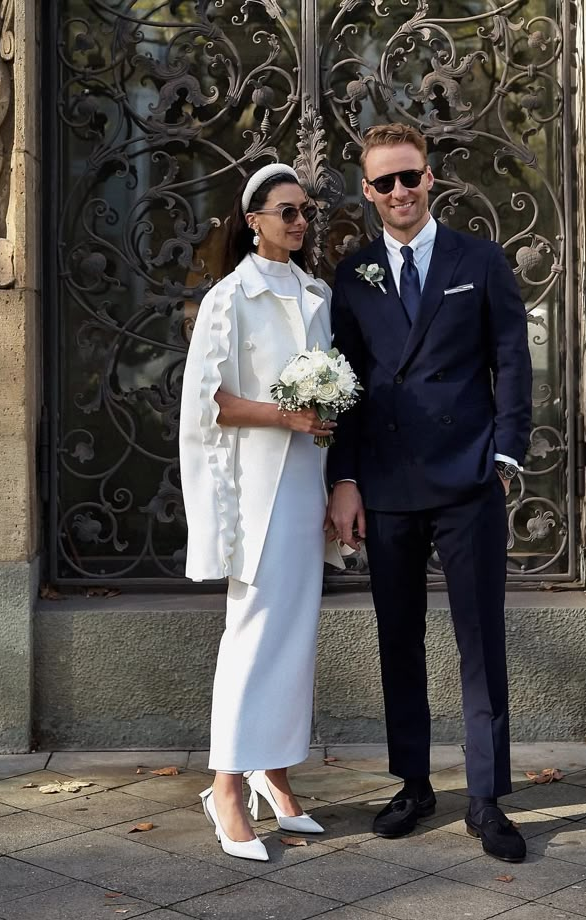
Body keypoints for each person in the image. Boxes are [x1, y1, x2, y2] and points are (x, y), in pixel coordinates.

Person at [326, 123, 533, 863]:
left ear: (430, 177)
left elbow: (511, 358)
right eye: (384, 182)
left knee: (480, 640)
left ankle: (487, 797)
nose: (399, 191)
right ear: (368, 191)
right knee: (397, 639)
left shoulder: (477, 259)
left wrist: (506, 451)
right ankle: (413, 784)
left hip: (467, 476)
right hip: (385, 484)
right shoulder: (353, 276)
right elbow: (344, 388)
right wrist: (344, 478)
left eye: (409, 176)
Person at [179, 163, 343, 862]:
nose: (300, 222)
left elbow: (327, 391)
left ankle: (274, 774)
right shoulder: (229, 297)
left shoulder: (316, 292)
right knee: (252, 630)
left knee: (296, 631)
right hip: (255, 484)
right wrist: (289, 416)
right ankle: (224, 786)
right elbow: (212, 399)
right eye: (286, 211)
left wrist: (325, 431)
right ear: (253, 219)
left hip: (306, 480)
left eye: (305, 211)